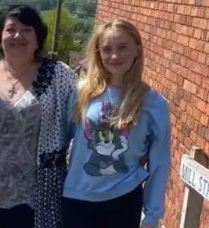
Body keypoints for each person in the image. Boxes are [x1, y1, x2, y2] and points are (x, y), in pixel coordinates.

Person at [0, 4, 77, 228]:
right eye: (11, 30)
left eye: (27, 30)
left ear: (38, 38)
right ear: (0, 37)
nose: (18, 36)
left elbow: (83, 123)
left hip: (34, 195)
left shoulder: (59, 76)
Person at [62, 18, 171, 228]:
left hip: (123, 200)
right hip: (77, 199)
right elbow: (61, 143)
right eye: (107, 49)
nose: (114, 56)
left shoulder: (154, 104)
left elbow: (160, 163)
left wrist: (152, 215)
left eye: (122, 48)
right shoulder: (82, 92)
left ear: (137, 50)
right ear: (98, 53)